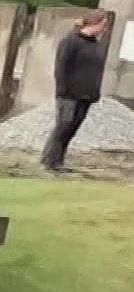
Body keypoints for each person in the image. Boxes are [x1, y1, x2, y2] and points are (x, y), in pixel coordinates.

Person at [41, 9, 109, 172]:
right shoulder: (70, 41)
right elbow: (61, 67)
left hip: (86, 95)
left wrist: (94, 92)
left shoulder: (95, 45)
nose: (104, 29)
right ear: (95, 23)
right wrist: (63, 90)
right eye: (103, 25)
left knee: (72, 128)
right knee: (63, 126)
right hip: (69, 94)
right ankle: (50, 161)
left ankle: (57, 161)